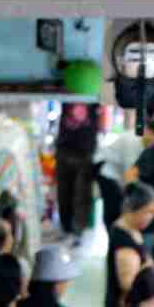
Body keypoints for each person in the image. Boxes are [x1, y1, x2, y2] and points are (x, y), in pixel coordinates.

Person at [107, 182, 154, 307]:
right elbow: (128, 285)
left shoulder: (131, 230)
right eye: (148, 212)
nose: (152, 217)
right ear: (133, 209)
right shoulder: (124, 242)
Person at [55, 102, 101, 242]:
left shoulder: (94, 97)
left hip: (85, 152)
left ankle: (77, 230)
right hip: (64, 148)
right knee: (64, 192)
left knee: (81, 193)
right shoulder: (67, 96)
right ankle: (67, 228)